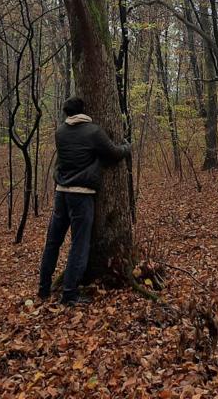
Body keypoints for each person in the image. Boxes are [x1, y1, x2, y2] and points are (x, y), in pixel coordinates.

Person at [38, 96, 130, 306]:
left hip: (61, 193)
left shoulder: (60, 132)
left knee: (53, 241)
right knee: (79, 244)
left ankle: (43, 288)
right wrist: (127, 147)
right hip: (81, 195)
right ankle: (69, 294)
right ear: (84, 110)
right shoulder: (93, 132)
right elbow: (114, 153)